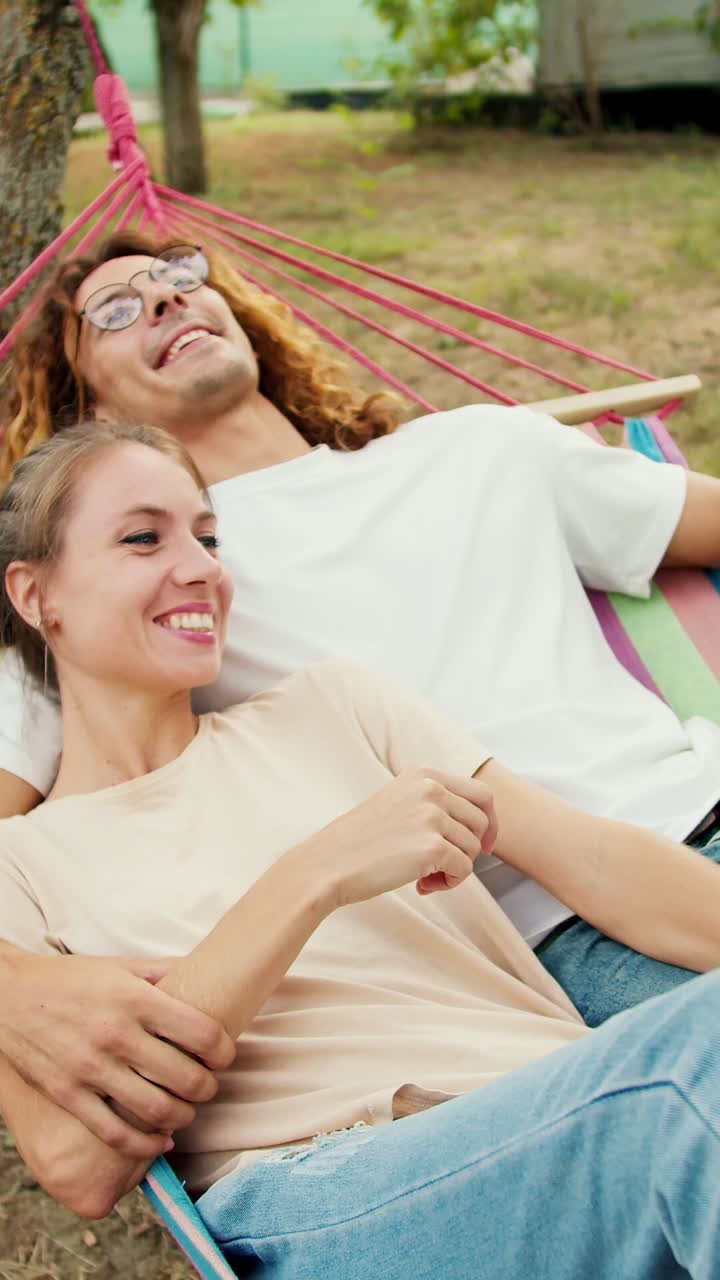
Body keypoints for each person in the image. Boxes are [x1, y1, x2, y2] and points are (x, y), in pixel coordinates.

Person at [2, 234, 720, 1147]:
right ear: (88, 409)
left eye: (180, 280)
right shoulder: (134, 594)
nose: (165, 302)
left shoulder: (479, 447)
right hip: (572, 933)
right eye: (114, 310)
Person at [1, 421, 720, 1280]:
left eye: (208, 536)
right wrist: (317, 873)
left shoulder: (335, 706)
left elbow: (596, 863)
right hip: (333, 1195)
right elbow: (81, 1164)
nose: (200, 566)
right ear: (35, 594)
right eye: (142, 538)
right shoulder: (21, 865)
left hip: (568, 1112)